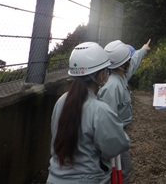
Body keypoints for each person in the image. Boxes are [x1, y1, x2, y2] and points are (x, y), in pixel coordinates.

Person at [47, 42, 130, 184]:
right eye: (105, 70)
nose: (107, 74)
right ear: (99, 76)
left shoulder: (61, 102)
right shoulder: (100, 110)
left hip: (54, 178)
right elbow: (117, 146)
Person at [98, 39, 151, 184]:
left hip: (118, 133)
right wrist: (119, 142)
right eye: (129, 60)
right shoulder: (112, 87)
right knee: (122, 171)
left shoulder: (120, 76)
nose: (131, 62)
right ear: (124, 64)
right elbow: (107, 122)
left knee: (122, 170)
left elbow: (134, 62)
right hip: (115, 136)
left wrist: (143, 49)